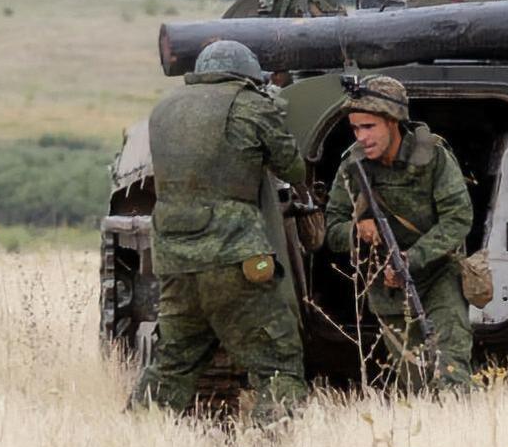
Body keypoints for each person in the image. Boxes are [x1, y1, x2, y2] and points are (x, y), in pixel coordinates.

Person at [130, 40, 309, 425]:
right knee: (279, 361)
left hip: (175, 259)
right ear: (247, 75)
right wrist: (275, 111)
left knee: (174, 361)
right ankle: (272, 443)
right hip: (234, 256)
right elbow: (293, 168)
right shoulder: (253, 106)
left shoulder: (164, 110)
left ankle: (135, 438)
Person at [323, 75, 475, 390]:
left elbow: (458, 217)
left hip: (437, 274)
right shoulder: (353, 167)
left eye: (369, 127)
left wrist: (412, 259)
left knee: (450, 367)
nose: (361, 137)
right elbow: (331, 231)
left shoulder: (431, 155)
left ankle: (460, 424)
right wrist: (358, 230)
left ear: (393, 123)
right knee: (417, 381)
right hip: (387, 287)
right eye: (355, 128)